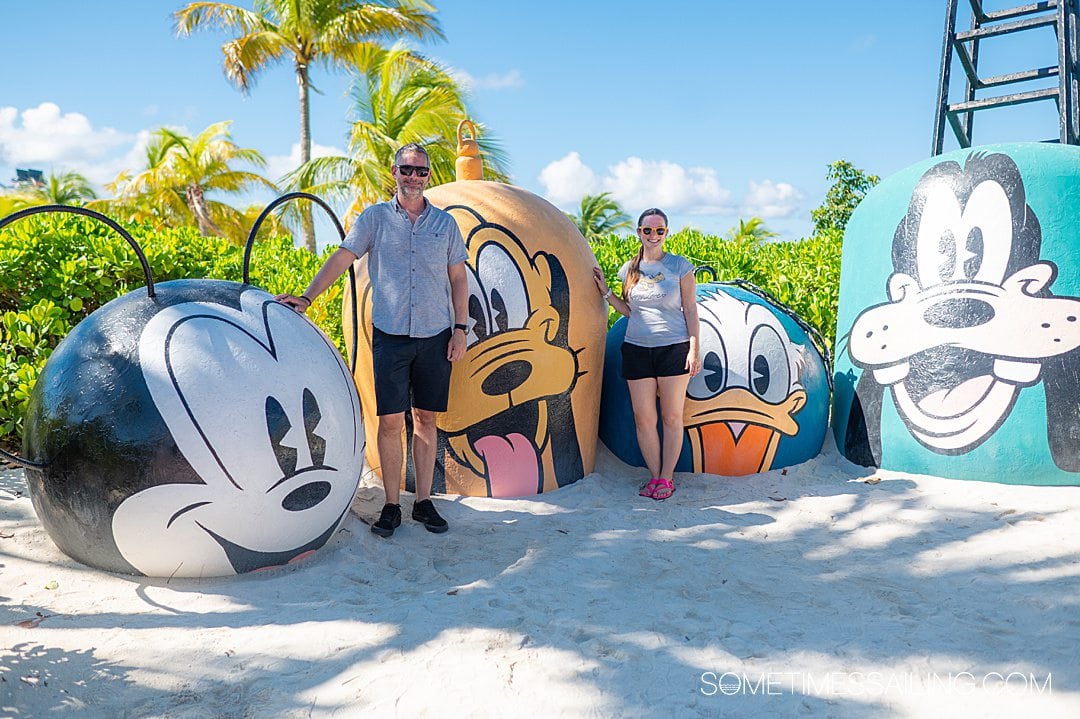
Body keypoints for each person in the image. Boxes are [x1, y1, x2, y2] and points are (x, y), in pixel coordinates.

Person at [277, 143, 469, 538]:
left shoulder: (445, 225)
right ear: (394, 172)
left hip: (435, 336)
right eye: (407, 169)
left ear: (428, 176)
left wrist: (461, 329)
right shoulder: (375, 219)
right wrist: (308, 297)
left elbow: (458, 279)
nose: (414, 177)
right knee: (389, 422)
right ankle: (392, 505)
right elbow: (343, 257)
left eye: (421, 171)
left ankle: (424, 503)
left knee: (427, 420)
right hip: (391, 336)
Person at [592, 208, 701, 500]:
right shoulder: (629, 270)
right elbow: (630, 311)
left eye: (659, 230)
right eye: (648, 230)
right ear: (639, 232)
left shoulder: (680, 266)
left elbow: (690, 309)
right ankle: (654, 477)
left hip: (673, 348)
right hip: (637, 349)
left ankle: (667, 479)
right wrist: (606, 293)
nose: (653, 235)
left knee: (672, 417)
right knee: (643, 419)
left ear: (666, 233)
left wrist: (694, 347)